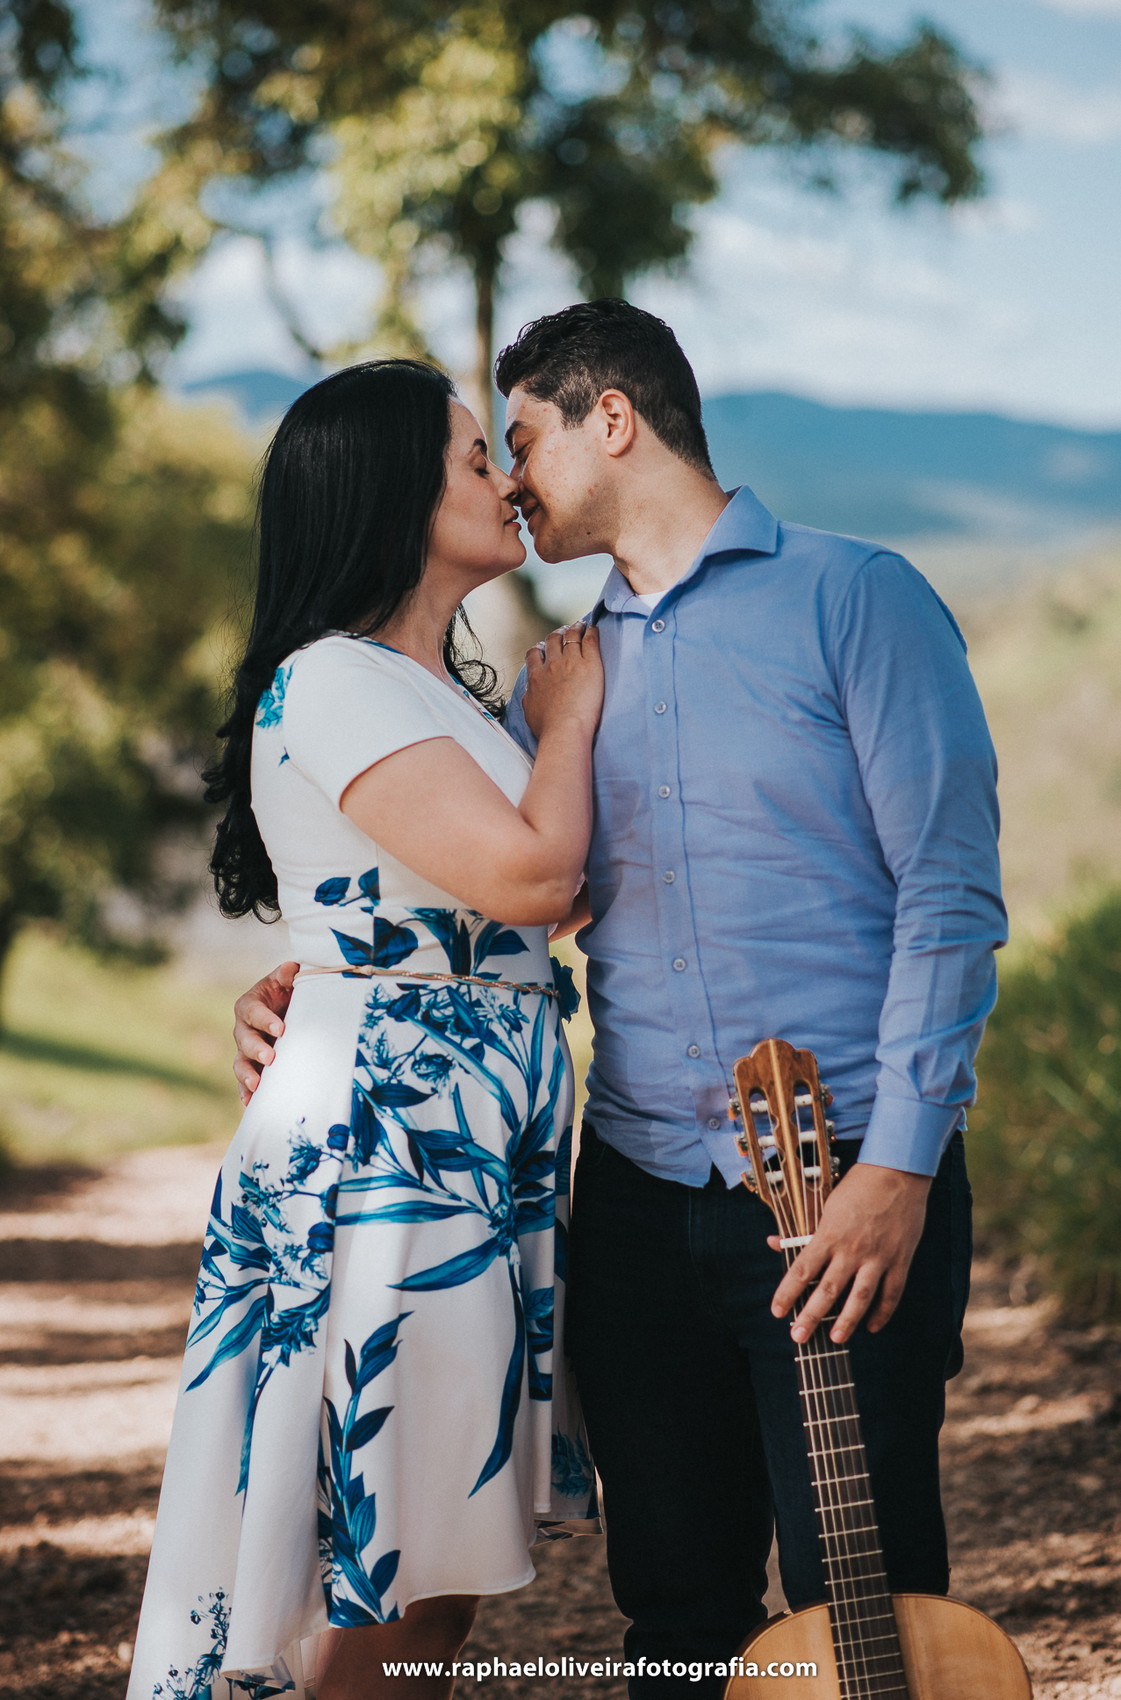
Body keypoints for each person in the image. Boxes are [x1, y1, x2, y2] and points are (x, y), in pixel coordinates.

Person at [234, 302, 1007, 1698]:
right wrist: (305, 992)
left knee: (867, 1601)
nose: (512, 479)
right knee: (675, 1612)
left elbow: (949, 897)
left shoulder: (856, 597)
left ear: (613, 419)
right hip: (638, 1201)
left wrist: (900, 1168)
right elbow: (468, 897)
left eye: (521, 440)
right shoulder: (560, 684)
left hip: (842, 1179)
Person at [128, 360, 602, 1700]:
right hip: (392, 1143)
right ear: (392, 495)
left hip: (462, 1136)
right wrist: (570, 722)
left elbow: (462, 901)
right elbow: (535, 881)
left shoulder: (442, 692)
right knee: (393, 1544)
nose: (507, 480)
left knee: (443, 1549)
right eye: (473, 458)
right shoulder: (335, 678)